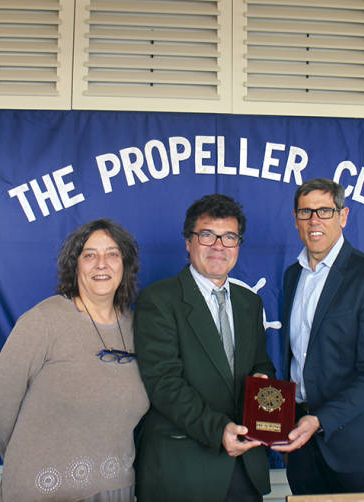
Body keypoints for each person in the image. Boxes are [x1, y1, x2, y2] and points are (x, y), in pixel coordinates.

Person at [0, 219, 149, 502]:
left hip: (117, 490)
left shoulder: (138, 328)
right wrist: (24, 458)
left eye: (112, 254)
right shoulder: (43, 321)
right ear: (76, 265)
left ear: (125, 265)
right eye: (89, 255)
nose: (101, 264)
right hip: (44, 492)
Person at [133, 194, 276, 502]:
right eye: (207, 235)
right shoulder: (158, 300)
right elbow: (164, 383)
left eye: (229, 237)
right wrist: (218, 429)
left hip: (245, 466)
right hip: (183, 469)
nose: (219, 246)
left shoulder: (249, 303)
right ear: (189, 242)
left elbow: (261, 364)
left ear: (238, 244)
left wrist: (262, 385)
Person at [272, 178, 364, 494]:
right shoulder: (293, 276)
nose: (314, 220)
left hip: (358, 450)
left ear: (343, 217)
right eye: (305, 212)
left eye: (324, 211)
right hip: (302, 445)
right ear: (295, 219)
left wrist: (318, 420)